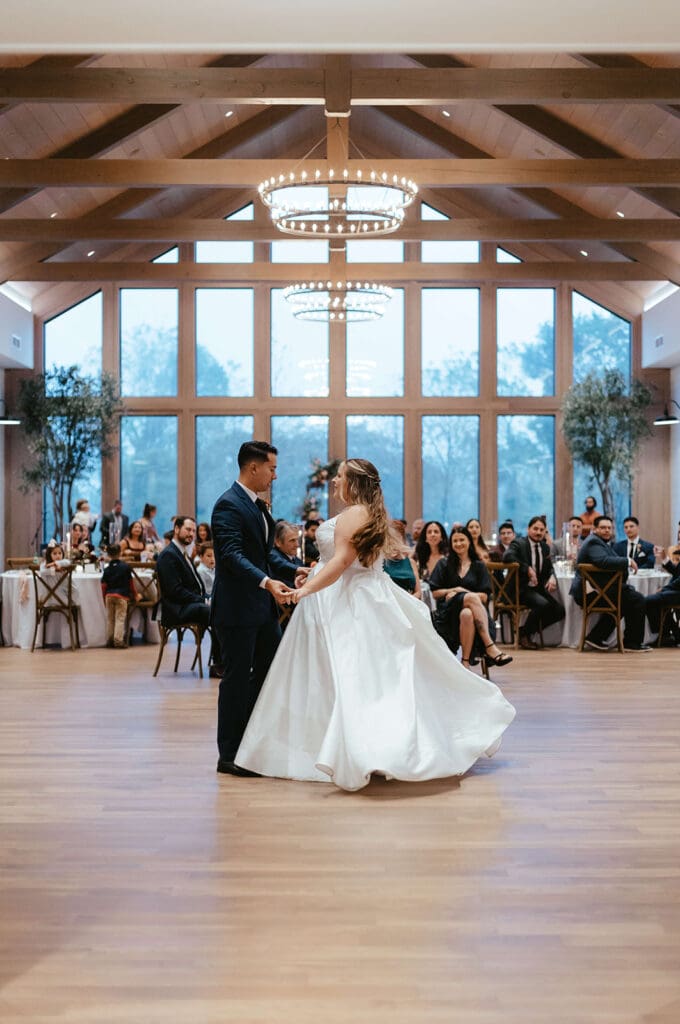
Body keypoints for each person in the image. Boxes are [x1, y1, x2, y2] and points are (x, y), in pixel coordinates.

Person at [235, 458, 515, 791]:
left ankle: (353, 747)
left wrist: (306, 589)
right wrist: (312, 571)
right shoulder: (368, 512)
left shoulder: (354, 514)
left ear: (353, 484)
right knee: (352, 676)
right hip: (359, 591)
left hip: (346, 598)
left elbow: (340, 562)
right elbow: (342, 560)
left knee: (349, 675)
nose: (335, 482)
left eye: (339, 478)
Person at [211, 441, 305, 778]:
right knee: (236, 680)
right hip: (237, 610)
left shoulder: (257, 506)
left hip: (262, 611)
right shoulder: (228, 506)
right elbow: (233, 556)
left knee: (271, 670)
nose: (275, 475)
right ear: (254, 468)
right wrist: (266, 582)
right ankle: (230, 754)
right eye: (272, 468)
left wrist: (292, 569)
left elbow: (265, 554)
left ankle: (253, 739)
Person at [430, 526, 512, 670]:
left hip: (472, 615)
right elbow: (435, 592)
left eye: (462, 539)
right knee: (471, 600)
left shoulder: (479, 566)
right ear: (451, 544)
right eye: (455, 541)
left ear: (469, 541)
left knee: (467, 613)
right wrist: (455, 590)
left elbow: (485, 597)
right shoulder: (443, 564)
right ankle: (490, 646)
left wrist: (464, 595)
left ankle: (465, 663)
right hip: (448, 615)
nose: (459, 543)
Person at [570, 515, 650, 653]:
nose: (607, 530)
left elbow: (610, 560)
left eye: (609, 528)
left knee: (627, 600)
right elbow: (603, 561)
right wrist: (628, 561)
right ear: (594, 529)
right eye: (603, 528)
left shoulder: (599, 542)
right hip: (589, 594)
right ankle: (632, 643)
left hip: (599, 590)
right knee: (637, 599)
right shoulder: (593, 542)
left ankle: (596, 637)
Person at [503, 516, 565, 648]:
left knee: (559, 611)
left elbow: (549, 568)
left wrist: (553, 576)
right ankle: (525, 636)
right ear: (528, 529)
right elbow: (507, 557)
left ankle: (524, 632)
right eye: (535, 529)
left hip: (537, 589)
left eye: (541, 530)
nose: (538, 532)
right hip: (519, 589)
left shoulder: (545, 547)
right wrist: (527, 569)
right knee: (542, 604)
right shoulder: (518, 543)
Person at [155, 516, 210, 630]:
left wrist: (208, 598)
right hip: (176, 609)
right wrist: (203, 600)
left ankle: (219, 647)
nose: (191, 534)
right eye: (188, 529)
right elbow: (175, 591)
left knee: (223, 604)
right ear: (176, 529)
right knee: (218, 611)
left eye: (194, 531)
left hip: (189, 604)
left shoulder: (182, 552)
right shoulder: (168, 555)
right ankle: (221, 648)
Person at [101, 543, 137, 648]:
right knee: (120, 618)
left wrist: (104, 597)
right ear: (120, 553)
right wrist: (135, 594)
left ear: (108, 554)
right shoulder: (125, 567)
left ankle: (109, 639)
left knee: (110, 619)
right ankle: (118, 640)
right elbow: (131, 583)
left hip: (109, 595)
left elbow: (103, 585)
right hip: (122, 596)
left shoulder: (107, 569)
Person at [645, 545, 680, 643]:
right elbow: (676, 572)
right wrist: (664, 558)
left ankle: (661, 635)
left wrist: (664, 589)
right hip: (676, 590)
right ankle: (670, 634)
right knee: (657, 601)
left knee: (649, 600)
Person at [383, 519, 421, 597]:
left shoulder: (411, 562)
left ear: (402, 539)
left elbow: (419, 592)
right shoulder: (381, 562)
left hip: (411, 602)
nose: (393, 542)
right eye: (389, 539)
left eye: (396, 539)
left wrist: (407, 601)